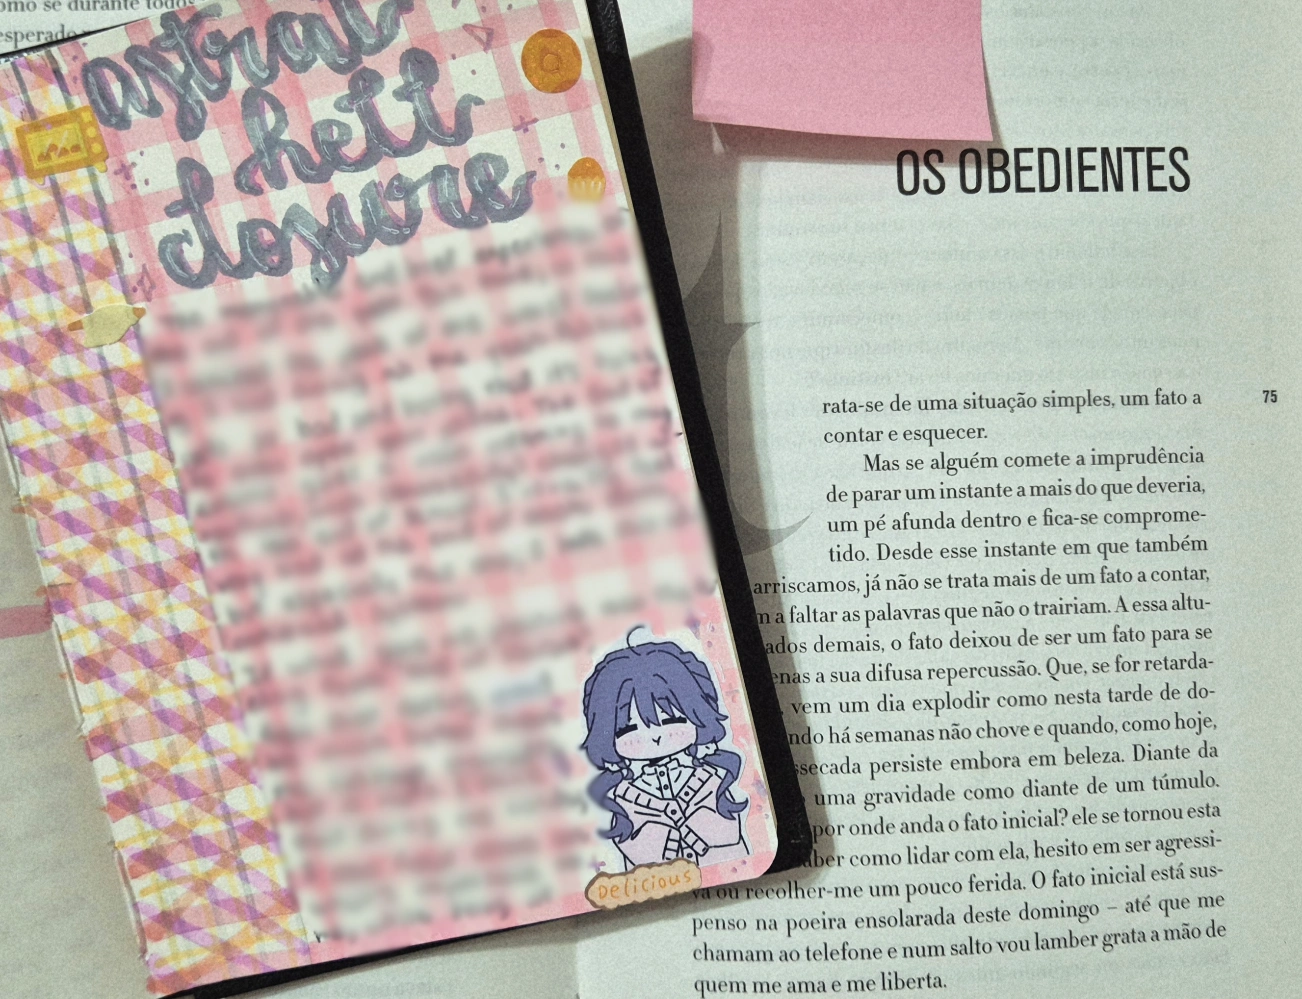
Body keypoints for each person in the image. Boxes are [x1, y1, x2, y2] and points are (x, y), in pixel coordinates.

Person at [581, 636, 749, 869]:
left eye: (672, 720)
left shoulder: (712, 778)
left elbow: (730, 831)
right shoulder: (625, 796)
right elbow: (633, 847)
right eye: (628, 729)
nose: (655, 736)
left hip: (729, 872)